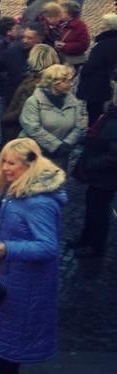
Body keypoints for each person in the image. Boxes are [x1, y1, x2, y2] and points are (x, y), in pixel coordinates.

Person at [0, 138, 66, 374]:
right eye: (3, 162)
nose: (5, 168)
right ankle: (4, 364)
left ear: (29, 165)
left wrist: (8, 248)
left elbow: (48, 246)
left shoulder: (38, 203)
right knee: (10, 321)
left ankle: (5, 367)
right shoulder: (23, 191)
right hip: (15, 273)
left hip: (26, 277)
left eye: (11, 163)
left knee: (15, 322)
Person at [70, 95, 117, 258]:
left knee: (99, 211)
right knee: (92, 207)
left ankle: (95, 246)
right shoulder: (111, 113)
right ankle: (86, 239)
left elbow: (114, 155)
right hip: (99, 176)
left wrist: (92, 163)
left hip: (106, 178)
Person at [19, 63, 87, 168]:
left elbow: (80, 126)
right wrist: (55, 146)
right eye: (66, 81)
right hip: (36, 154)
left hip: (61, 155)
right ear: (53, 83)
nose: (70, 84)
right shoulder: (34, 101)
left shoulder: (73, 101)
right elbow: (33, 128)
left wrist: (67, 144)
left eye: (70, 81)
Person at [1, 43, 60, 142]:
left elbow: (20, 112)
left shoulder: (34, 84)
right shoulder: (54, 81)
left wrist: (5, 118)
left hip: (20, 132)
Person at [76, 13, 117, 123]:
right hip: (106, 85)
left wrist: (83, 71)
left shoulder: (102, 45)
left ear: (108, 26)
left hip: (97, 86)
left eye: (103, 24)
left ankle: (94, 133)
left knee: (94, 113)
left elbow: (91, 65)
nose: (100, 26)